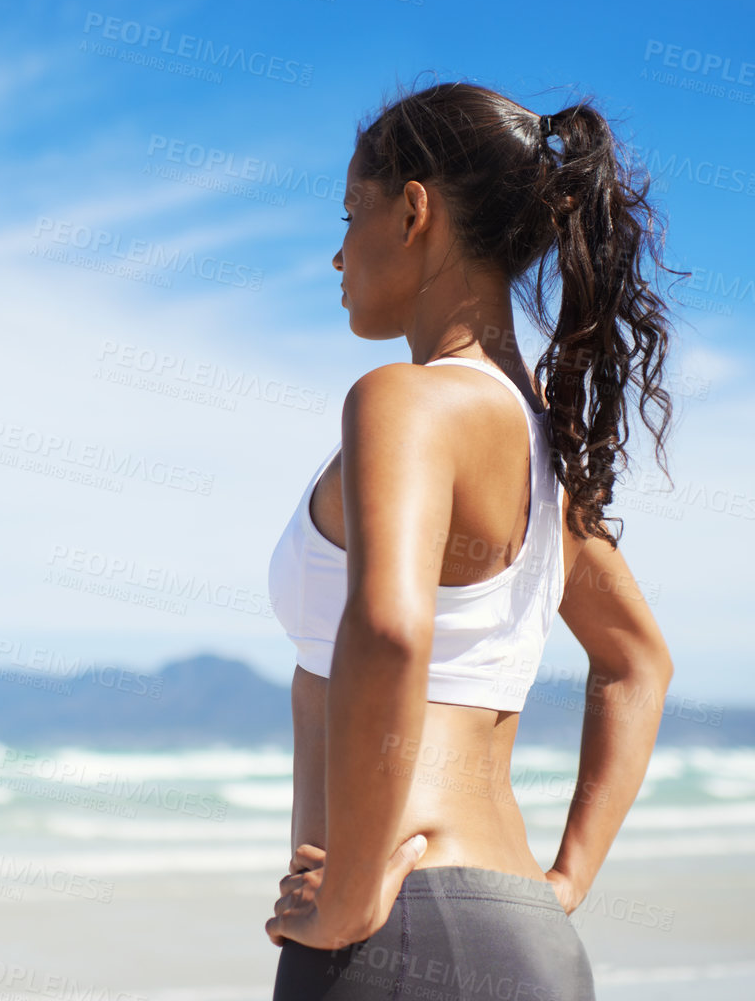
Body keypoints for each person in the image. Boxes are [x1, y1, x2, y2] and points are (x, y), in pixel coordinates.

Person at [263, 78, 682, 1001]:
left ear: (414, 210)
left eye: (348, 214)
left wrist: (351, 892)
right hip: (523, 929)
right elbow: (637, 662)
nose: (336, 255)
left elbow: (389, 629)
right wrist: (566, 878)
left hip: (391, 926)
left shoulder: (403, 401)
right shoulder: (541, 450)